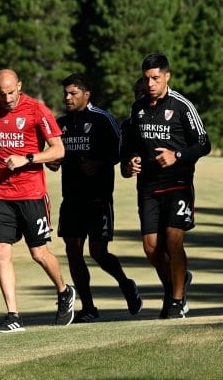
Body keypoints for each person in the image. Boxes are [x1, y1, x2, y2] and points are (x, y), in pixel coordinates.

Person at [0, 69, 76, 333]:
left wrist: (27, 158)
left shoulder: (37, 110)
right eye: (2, 94)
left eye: (12, 93)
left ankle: (64, 290)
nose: (8, 99)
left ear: (20, 86)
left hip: (31, 193)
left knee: (38, 253)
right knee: (1, 252)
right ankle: (13, 315)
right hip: (0, 194)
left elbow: (58, 149)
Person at [122, 53, 211, 319]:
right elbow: (130, 146)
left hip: (178, 183)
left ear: (166, 77)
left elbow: (204, 144)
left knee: (173, 239)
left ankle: (175, 299)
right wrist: (129, 163)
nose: (150, 83)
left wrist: (177, 156)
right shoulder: (138, 108)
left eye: (155, 78)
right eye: (146, 78)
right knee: (151, 248)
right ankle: (177, 282)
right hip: (148, 186)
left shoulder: (182, 105)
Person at [48, 72, 141, 323]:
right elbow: (55, 152)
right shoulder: (61, 124)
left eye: (73, 93)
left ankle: (126, 284)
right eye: (65, 93)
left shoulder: (103, 119)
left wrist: (99, 164)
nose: (67, 98)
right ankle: (88, 307)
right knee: (73, 250)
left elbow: (121, 150)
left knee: (98, 252)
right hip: (72, 198)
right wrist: (54, 162)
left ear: (86, 94)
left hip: (98, 197)